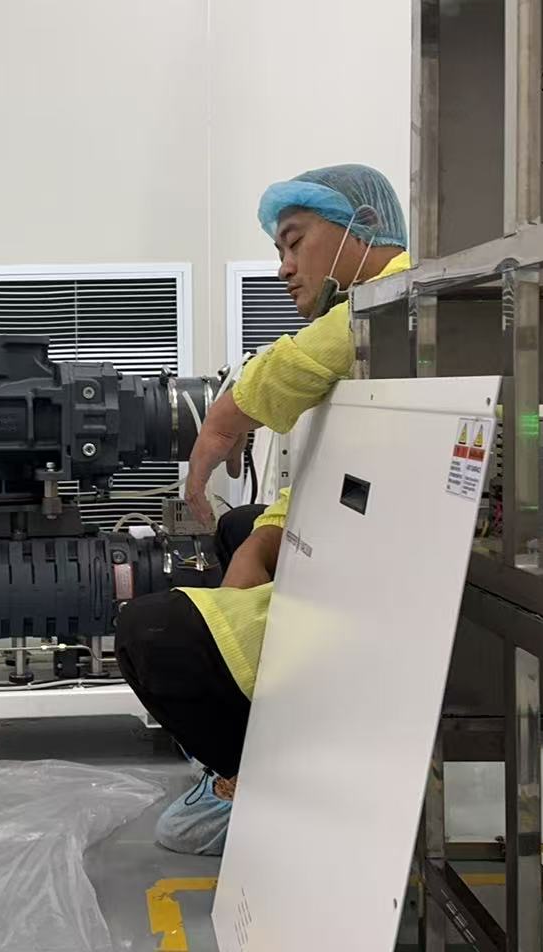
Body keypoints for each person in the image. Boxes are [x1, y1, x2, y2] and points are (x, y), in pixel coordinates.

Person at [116, 163, 410, 855]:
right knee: (239, 526)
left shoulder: (401, 302)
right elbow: (325, 470)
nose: (283, 268)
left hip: (397, 576)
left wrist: (223, 421)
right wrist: (259, 543)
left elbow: (303, 358)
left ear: (363, 226)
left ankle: (266, 782)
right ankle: (260, 730)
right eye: (279, 250)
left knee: (148, 630)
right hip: (372, 542)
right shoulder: (359, 328)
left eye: (294, 241)